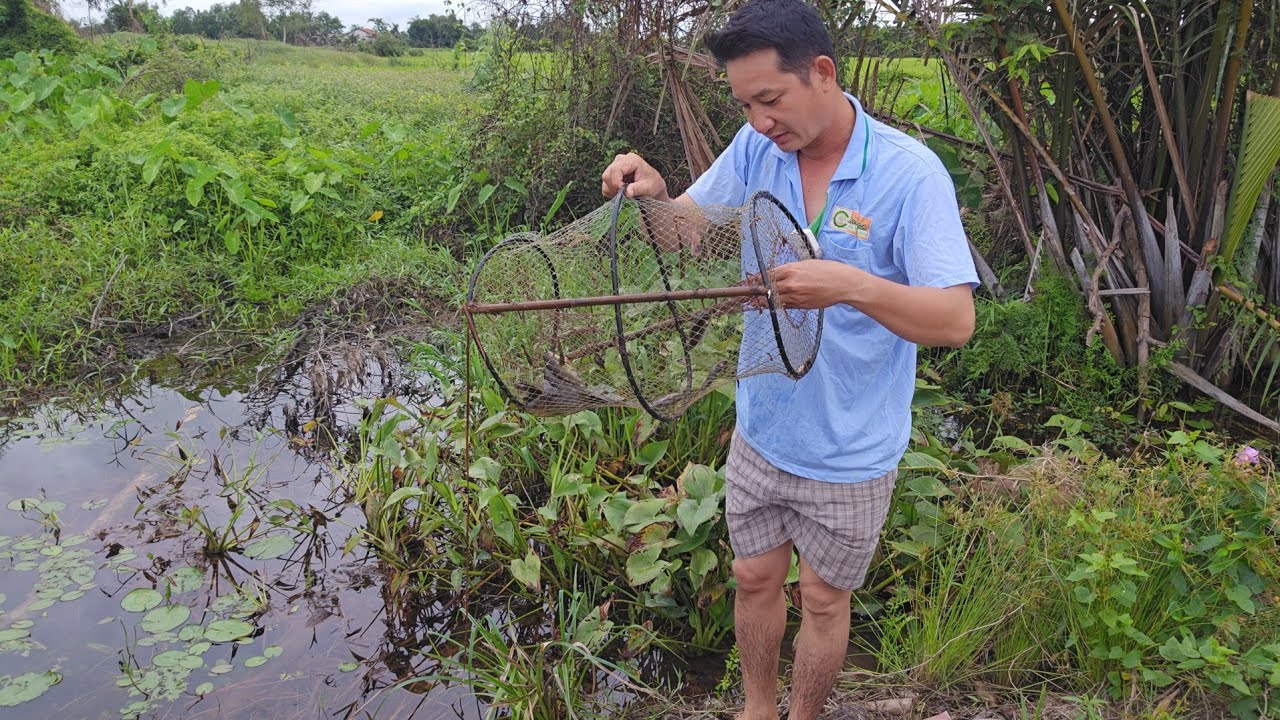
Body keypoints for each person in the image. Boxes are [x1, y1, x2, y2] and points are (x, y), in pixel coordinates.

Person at [601, 0, 978, 718]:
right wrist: (652, 193)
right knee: (752, 576)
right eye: (745, 105)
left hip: (851, 446)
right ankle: (756, 709)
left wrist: (851, 285)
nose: (759, 122)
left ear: (823, 73)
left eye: (769, 99)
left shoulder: (911, 175)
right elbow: (688, 230)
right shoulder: (758, 150)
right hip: (764, 425)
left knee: (825, 600)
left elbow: (955, 320)